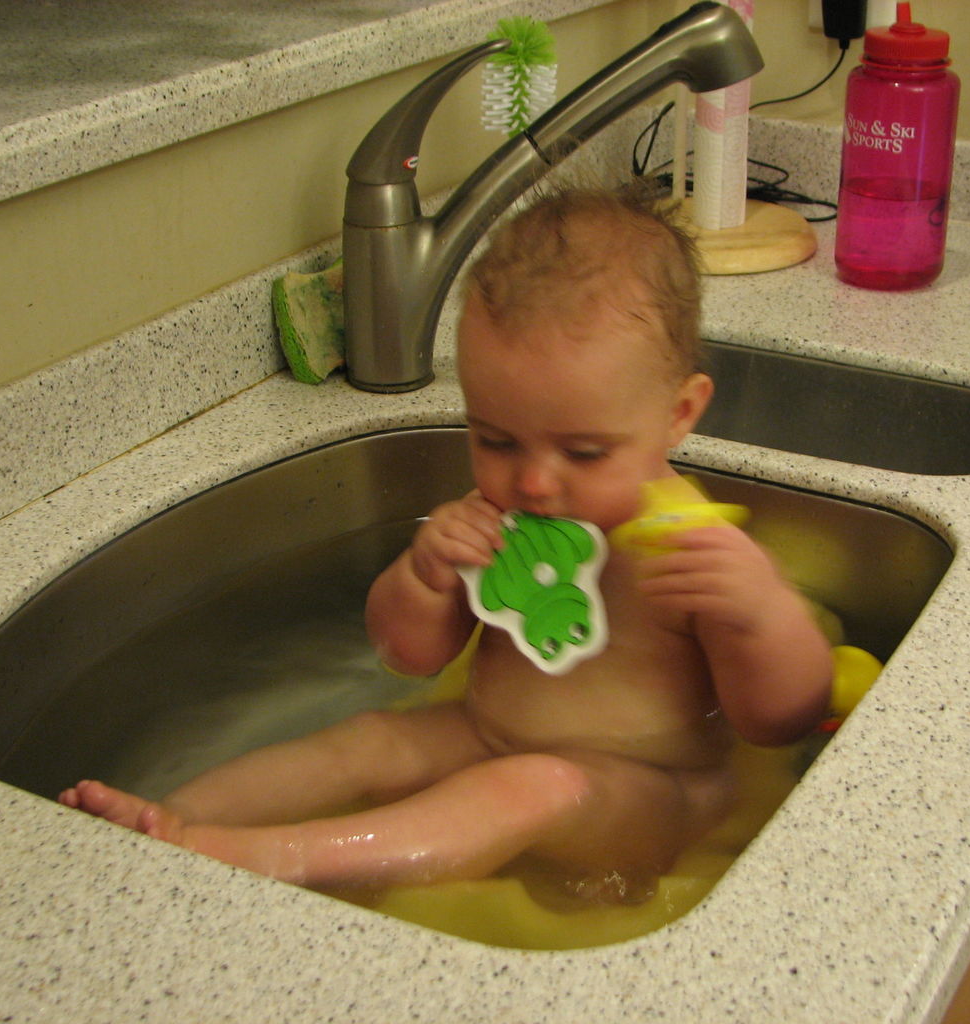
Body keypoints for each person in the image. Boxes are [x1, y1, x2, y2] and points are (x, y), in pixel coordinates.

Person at [61, 184, 833, 900]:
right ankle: (166, 820)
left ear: (679, 412)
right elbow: (409, 654)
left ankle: (280, 858)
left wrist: (758, 611)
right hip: (482, 730)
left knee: (531, 787)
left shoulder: (686, 551)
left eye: (584, 453)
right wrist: (425, 577)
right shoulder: (496, 521)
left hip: (650, 793)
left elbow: (778, 720)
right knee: (368, 741)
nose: (533, 483)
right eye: (496, 439)